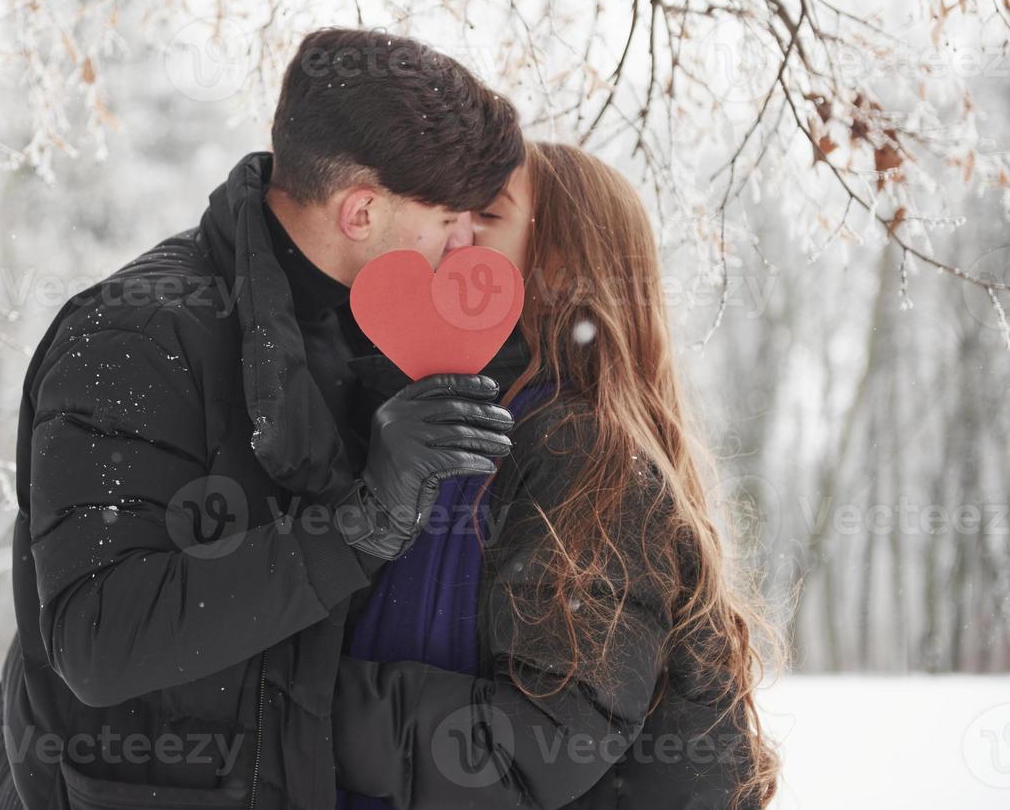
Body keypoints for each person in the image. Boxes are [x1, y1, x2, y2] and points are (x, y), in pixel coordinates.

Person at [0, 27, 527, 809]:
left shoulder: (351, 330)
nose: (468, 243)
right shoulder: (134, 336)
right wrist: (359, 527)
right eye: (450, 219)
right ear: (362, 210)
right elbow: (96, 639)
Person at [332, 140, 782, 809]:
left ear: (564, 267)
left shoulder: (579, 451)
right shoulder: (445, 422)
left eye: (486, 213)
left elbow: (540, 740)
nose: (451, 232)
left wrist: (299, 707)